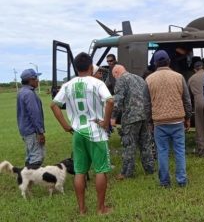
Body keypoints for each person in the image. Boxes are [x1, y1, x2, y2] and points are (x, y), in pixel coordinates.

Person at [50, 52, 113, 215]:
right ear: (91, 67)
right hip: (96, 132)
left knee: (79, 171)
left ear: (75, 68)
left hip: (77, 132)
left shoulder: (68, 85)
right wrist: (106, 122)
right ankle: (100, 209)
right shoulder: (97, 83)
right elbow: (110, 100)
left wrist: (66, 126)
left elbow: (54, 105)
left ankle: (82, 209)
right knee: (100, 170)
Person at [145, 50, 192, 188]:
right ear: (169, 62)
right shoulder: (179, 77)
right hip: (177, 120)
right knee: (179, 151)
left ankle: (165, 182)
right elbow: (187, 100)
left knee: (162, 152)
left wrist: (150, 122)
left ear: (155, 63)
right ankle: (182, 180)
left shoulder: (149, 80)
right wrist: (188, 117)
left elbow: (147, 104)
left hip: (159, 122)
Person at [111, 64, 154, 180]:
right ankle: (150, 169)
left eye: (113, 76)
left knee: (129, 145)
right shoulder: (139, 79)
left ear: (116, 72)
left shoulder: (121, 80)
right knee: (146, 144)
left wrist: (113, 118)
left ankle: (126, 173)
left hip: (131, 118)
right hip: (144, 116)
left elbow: (118, 100)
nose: (114, 78)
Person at [17, 68, 45, 168]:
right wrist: (40, 132)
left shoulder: (21, 92)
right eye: (36, 78)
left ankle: (25, 178)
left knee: (30, 156)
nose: (38, 80)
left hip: (25, 130)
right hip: (32, 130)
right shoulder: (29, 94)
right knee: (37, 157)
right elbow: (34, 114)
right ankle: (28, 180)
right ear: (30, 80)